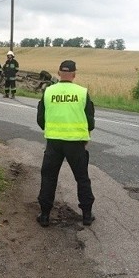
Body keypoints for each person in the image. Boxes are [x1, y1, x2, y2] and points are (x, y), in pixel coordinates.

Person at [35, 60, 95, 227]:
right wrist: (85, 136)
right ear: (74, 74)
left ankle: (45, 215)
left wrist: (52, 131)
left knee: (48, 177)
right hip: (76, 143)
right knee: (82, 178)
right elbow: (90, 120)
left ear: (59, 73)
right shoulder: (82, 92)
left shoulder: (48, 92)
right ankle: (87, 216)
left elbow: (40, 118)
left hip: (53, 142)